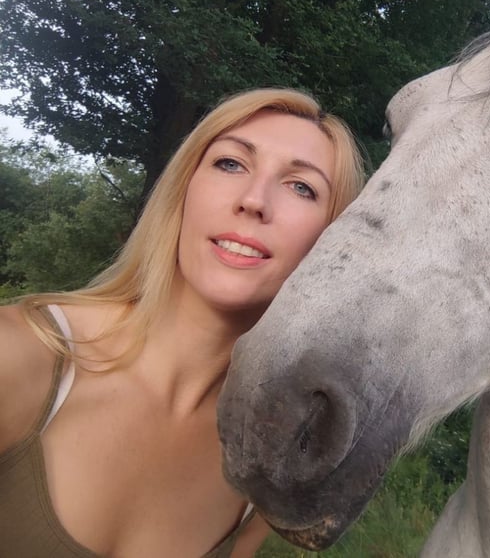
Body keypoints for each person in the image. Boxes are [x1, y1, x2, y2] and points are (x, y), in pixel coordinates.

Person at [0, 87, 367, 557]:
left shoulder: (264, 470)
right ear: (184, 190)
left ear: (331, 243)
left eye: (302, 187)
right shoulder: (19, 355)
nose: (254, 200)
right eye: (230, 163)